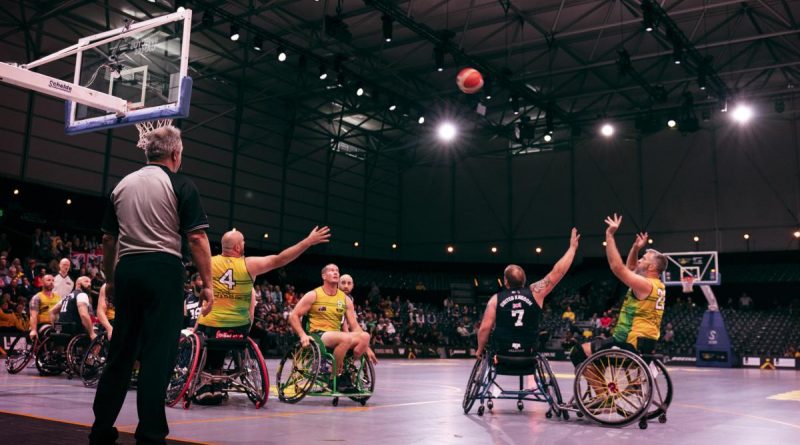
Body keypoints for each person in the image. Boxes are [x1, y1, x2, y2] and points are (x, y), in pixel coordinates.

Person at [90, 124, 214, 445]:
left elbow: (108, 239)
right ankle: (150, 435)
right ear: (176, 153)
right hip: (164, 268)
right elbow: (197, 238)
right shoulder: (181, 184)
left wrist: (111, 278)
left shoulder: (122, 185)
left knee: (121, 353)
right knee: (158, 355)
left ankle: (101, 430)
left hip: (128, 268)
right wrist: (208, 284)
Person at [193, 226, 331, 403]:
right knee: (226, 335)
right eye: (243, 242)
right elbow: (281, 259)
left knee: (206, 336)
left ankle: (207, 379)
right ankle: (217, 378)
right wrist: (308, 241)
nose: (244, 245)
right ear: (237, 248)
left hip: (210, 326)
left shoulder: (209, 262)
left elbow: (198, 288)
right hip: (238, 329)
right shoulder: (248, 264)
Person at [570, 214, 667, 367]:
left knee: (578, 352)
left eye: (644, 259)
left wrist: (609, 236)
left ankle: (602, 391)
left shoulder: (645, 285)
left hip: (629, 342)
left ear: (651, 267)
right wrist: (635, 248)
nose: (640, 259)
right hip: (645, 342)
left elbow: (618, 268)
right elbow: (631, 268)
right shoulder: (657, 285)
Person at [476, 228, 581, 360]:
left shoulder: (495, 299)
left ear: (505, 281)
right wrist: (572, 248)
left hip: (502, 353)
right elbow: (557, 272)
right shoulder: (535, 292)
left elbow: (485, 328)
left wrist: (480, 349)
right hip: (529, 351)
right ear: (524, 280)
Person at [289, 264, 371, 391]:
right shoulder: (313, 294)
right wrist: (302, 335)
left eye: (337, 270)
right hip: (318, 335)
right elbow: (293, 315)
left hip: (336, 336)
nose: (335, 272)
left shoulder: (345, 299)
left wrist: (367, 347)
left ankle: (345, 371)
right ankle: (335, 378)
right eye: (332, 270)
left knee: (365, 336)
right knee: (345, 338)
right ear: (323, 276)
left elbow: (354, 326)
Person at [338, 273, 378, 365]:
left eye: (349, 283)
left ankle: (348, 364)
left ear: (353, 286)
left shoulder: (350, 299)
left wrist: (366, 347)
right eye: (343, 283)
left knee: (365, 336)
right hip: (329, 332)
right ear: (338, 284)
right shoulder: (333, 296)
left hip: (341, 331)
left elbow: (348, 322)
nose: (346, 286)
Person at [49, 276, 96, 340]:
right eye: (86, 281)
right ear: (78, 284)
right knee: (97, 332)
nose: (89, 284)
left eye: (90, 282)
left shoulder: (67, 296)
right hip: (74, 329)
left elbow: (51, 311)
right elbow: (84, 315)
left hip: (61, 328)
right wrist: (92, 333)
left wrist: (54, 327)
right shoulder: (82, 295)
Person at [28, 274, 60, 341]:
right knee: (52, 333)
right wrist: (33, 330)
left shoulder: (58, 298)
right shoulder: (37, 297)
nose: (51, 282)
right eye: (48, 280)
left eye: (53, 280)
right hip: (43, 324)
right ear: (42, 283)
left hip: (56, 324)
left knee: (63, 335)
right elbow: (33, 315)